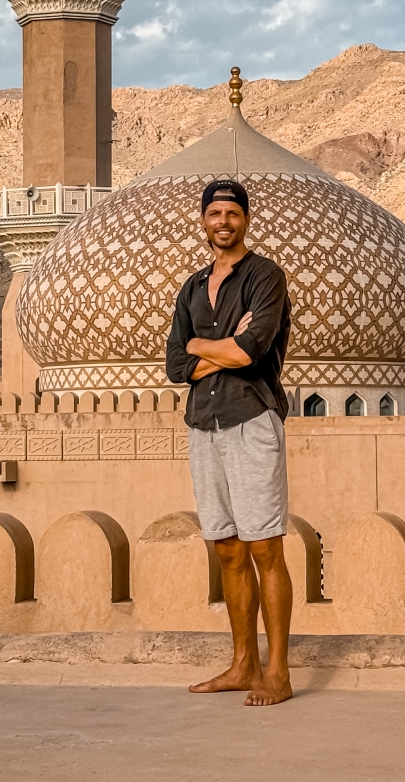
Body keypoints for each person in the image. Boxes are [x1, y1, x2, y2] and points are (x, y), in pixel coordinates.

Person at [166, 178, 293, 706]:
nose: (223, 221)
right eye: (215, 213)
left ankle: (278, 672)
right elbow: (175, 364)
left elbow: (251, 351)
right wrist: (214, 345)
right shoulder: (192, 288)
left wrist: (206, 347)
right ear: (203, 220)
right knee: (227, 548)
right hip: (205, 424)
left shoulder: (266, 276)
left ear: (245, 220)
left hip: (250, 418)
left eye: (232, 213)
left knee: (264, 545)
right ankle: (242, 665)